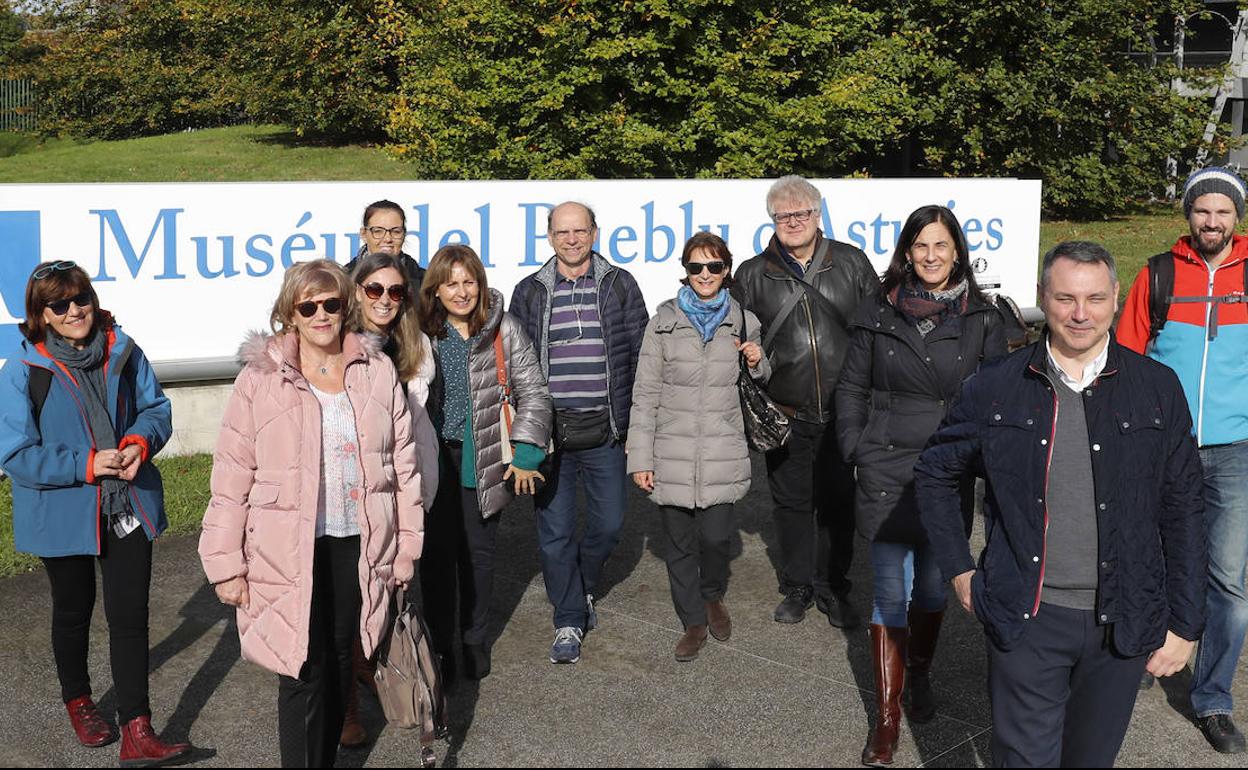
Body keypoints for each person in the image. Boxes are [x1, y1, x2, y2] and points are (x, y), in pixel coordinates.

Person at [915, 241, 1207, 768]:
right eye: (1066, 298)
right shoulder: (996, 386)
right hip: (1026, 615)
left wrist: (1186, 623)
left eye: (1095, 298)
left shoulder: (1157, 387)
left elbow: (1184, 507)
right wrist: (959, 570)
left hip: (1124, 618)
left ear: (1116, 298)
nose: (1080, 314)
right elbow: (936, 472)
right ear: (1041, 298)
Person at [199, 259, 425, 768]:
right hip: (286, 548)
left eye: (332, 303)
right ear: (290, 313)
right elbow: (232, 476)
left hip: (359, 542)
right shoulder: (261, 379)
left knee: (344, 658)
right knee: (301, 670)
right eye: (308, 305)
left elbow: (403, 467)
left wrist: (408, 544)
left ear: (347, 306)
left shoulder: (378, 371)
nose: (321, 314)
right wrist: (225, 564)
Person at [835, 205, 1008, 765]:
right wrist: (856, 444)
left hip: (947, 470)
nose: (931, 256)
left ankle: (921, 678)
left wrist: (979, 457)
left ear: (958, 250)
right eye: (920, 246)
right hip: (885, 466)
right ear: (906, 252)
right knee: (889, 594)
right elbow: (851, 388)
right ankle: (886, 719)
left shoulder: (983, 315)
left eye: (941, 245)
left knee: (934, 588)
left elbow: (1000, 399)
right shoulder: (877, 311)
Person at [0, 261, 190, 767]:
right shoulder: (22, 370)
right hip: (63, 510)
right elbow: (15, 452)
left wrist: (137, 443)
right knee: (73, 609)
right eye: (58, 305)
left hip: (128, 502)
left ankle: (137, 729)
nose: (73, 310)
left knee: (129, 617)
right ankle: (79, 701)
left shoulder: (125, 351)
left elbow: (157, 409)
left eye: (80, 298)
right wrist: (85, 465)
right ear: (40, 315)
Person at [1117, 166, 1248, 755]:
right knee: (1147, 558)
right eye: (1202, 211)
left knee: (1228, 579)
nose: (1212, 221)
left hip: (1236, 448)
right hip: (1163, 445)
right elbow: (1124, 356)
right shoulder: (1158, 274)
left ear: (1237, 217)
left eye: (1223, 211)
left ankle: (1213, 698)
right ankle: (1140, 658)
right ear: (1188, 215)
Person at [731, 175, 876, 627]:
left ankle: (835, 586)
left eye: (801, 213)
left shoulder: (851, 263)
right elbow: (737, 338)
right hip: (785, 411)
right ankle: (797, 586)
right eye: (783, 215)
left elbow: (875, 330)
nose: (793, 221)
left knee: (838, 504)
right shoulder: (753, 274)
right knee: (791, 506)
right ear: (772, 220)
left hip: (843, 410)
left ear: (818, 215)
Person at [509, 201, 648, 665]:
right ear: (549, 236)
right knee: (555, 534)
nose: (572, 239)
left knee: (609, 524)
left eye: (580, 231)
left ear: (594, 233)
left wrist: (635, 426)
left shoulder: (619, 284)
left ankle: (582, 585)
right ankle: (568, 617)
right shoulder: (529, 291)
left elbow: (639, 353)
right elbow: (517, 365)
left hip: (606, 430)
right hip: (551, 435)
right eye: (563, 232)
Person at [627, 232, 770, 661]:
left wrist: (757, 360)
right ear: (685, 272)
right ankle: (692, 619)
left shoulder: (743, 320)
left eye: (713, 267)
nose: (704, 275)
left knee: (714, 537)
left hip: (722, 451)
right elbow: (645, 393)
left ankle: (711, 595)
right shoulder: (664, 322)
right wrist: (640, 457)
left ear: (726, 271)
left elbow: (763, 378)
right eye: (696, 267)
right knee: (679, 543)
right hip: (670, 451)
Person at [419, 244, 552, 682]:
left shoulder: (504, 328)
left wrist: (528, 453)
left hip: (484, 458)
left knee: (477, 558)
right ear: (435, 289)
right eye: (451, 283)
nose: (461, 292)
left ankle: (473, 638)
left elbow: (534, 392)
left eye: (469, 281)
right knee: (436, 561)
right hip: (432, 460)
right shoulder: (419, 333)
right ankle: (440, 648)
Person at [335, 251, 440, 747]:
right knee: (347, 604)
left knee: (381, 593)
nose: (385, 300)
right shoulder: (339, 344)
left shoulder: (412, 343)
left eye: (396, 292)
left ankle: (366, 666)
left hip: (404, 484)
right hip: (354, 492)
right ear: (356, 291)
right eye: (374, 290)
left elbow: (414, 431)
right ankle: (347, 707)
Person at [344, 199, 426, 311]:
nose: (387, 239)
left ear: (404, 234)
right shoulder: (345, 280)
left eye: (396, 231)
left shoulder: (423, 281)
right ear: (363, 234)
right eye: (378, 231)